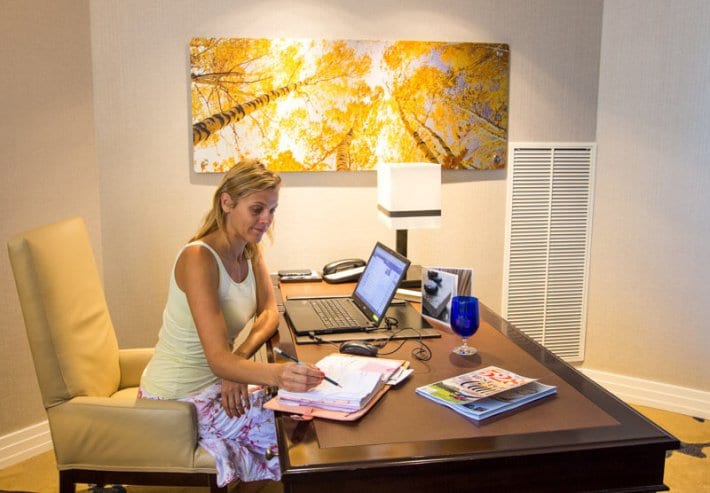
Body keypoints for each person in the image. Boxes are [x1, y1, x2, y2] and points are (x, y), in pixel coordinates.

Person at [139, 159, 324, 488]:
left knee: (303, 413)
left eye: (272, 210)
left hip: (215, 384)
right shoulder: (198, 259)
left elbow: (269, 313)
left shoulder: (250, 251)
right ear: (227, 202)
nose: (266, 220)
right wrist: (274, 373)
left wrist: (237, 364)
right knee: (302, 437)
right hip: (176, 401)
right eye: (257, 209)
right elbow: (217, 360)